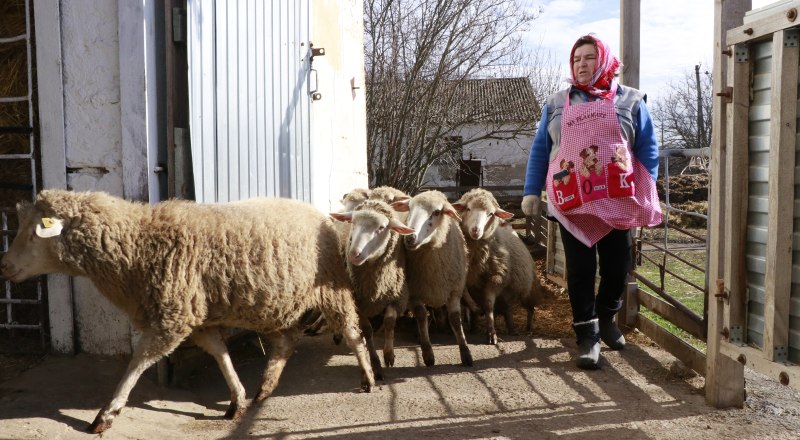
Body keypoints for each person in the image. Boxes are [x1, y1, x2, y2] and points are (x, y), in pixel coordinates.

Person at [521, 34, 662, 370]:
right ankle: (587, 337)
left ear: (604, 61)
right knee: (581, 271)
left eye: (588, 58)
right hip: (572, 200)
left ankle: (606, 319)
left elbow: (647, 150)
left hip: (618, 199)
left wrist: (647, 189)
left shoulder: (630, 101)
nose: (581, 65)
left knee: (616, 268)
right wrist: (530, 191)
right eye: (576, 59)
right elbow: (541, 149)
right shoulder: (557, 103)